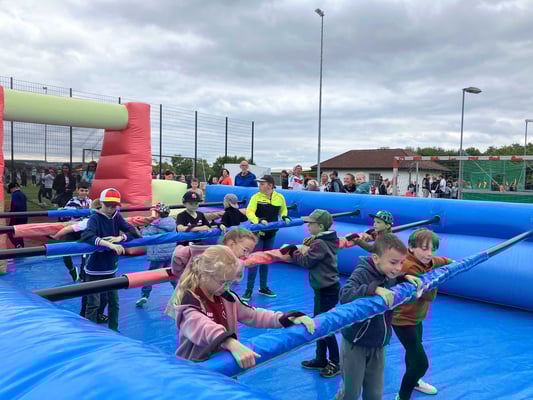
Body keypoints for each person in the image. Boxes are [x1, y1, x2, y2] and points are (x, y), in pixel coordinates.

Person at [172, 246, 315, 366]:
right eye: (222, 282)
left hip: (225, 362)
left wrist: (286, 318)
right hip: (195, 369)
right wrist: (229, 342)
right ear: (204, 275)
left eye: (229, 283)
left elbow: (253, 315)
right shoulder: (190, 300)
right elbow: (201, 326)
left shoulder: (227, 297)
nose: (226, 287)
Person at [335, 234, 422, 400]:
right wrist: (373, 289)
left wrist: (404, 277)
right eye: (393, 262)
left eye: (401, 262)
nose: (398, 268)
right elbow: (345, 294)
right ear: (376, 258)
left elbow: (394, 280)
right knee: (351, 394)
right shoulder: (362, 272)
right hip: (355, 344)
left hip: (379, 344)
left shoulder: (389, 273)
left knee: (375, 394)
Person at [272, 209, 341, 378]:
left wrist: (292, 251)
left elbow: (307, 261)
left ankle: (335, 362)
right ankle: (321, 358)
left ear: (321, 226)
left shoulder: (320, 243)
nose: (308, 226)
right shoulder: (328, 239)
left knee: (324, 325)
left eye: (311, 223)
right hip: (326, 288)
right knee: (319, 323)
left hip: (326, 290)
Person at [392, 229, 453, 400]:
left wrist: (455, 264)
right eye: (424, 248)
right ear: (411, 248)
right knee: (421, 363)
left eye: (433, 249)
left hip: (416, 318)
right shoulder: (409, 266)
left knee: (412, 353)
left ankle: (415, 382)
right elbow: (429, 296)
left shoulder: (427, 260)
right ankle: (403, 395)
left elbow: (440, 260)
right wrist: (440, 276)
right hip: (403, 320)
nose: (429, 253)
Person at [165, 228, 265, 317]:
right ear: (231, 243)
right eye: (245, 250)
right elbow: (179, 253)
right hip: (188, 303)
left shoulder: (233, 264)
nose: (247, 255)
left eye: (249, 252)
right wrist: (179, 273)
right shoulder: (207, 252)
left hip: (206, 306)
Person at [80, 188, 141, 331]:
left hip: (110, 267)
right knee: (93, 303)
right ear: (101, 203)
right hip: (94, 268)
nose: (110, 209)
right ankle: (90, 333)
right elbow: (87, 235)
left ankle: (114, 330)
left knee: (114, 301)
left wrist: (120, 238)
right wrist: (108, 244)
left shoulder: (116, 216)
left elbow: (133, 231)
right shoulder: (95, 218)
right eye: (107, 205)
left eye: (113, 206)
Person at [242, 175, 289, 301]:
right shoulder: (256, 197)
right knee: (254, 260)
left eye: (262, 184)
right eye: (259, 184)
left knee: (267, 259)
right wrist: (258, 221)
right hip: (257, 234)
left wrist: (284, 216)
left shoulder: (279, 197)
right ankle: (249, 289)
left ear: (270, 185)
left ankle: (263, 287)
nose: (259, 186)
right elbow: (249, 212)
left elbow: (283, 210)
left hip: (271, 233)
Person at [135, 204, 178, 308]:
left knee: (150, 276)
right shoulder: (172, 222)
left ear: (158, 213)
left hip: (158, 255)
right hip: (170, 254)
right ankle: (179, 294)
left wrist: (142, 228)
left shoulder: (156, 224)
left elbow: (145, 234)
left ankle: (145, 295)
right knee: (172, 274)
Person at [61, 182, 92, 282]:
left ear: (88, 191)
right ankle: (72, 270)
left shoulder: (90, 202)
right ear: (77, 190)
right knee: (65, 252)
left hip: (84, 231)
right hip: (72, 230)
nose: (84, 192)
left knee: (85, 253)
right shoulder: (72, 201)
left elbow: (93, 216)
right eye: (82, 190)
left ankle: (83, 274)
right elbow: (65, 215)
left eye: (86, 190)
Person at [7, 182, 27, 248]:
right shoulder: (22, 194)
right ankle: (21, 248)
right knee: (20, 233)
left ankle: (18, 245)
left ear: (12, 188)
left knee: (9, 231)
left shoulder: (15, 194)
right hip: (24, 216)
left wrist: (10, 213)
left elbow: (16, 205)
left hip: (16, 216)